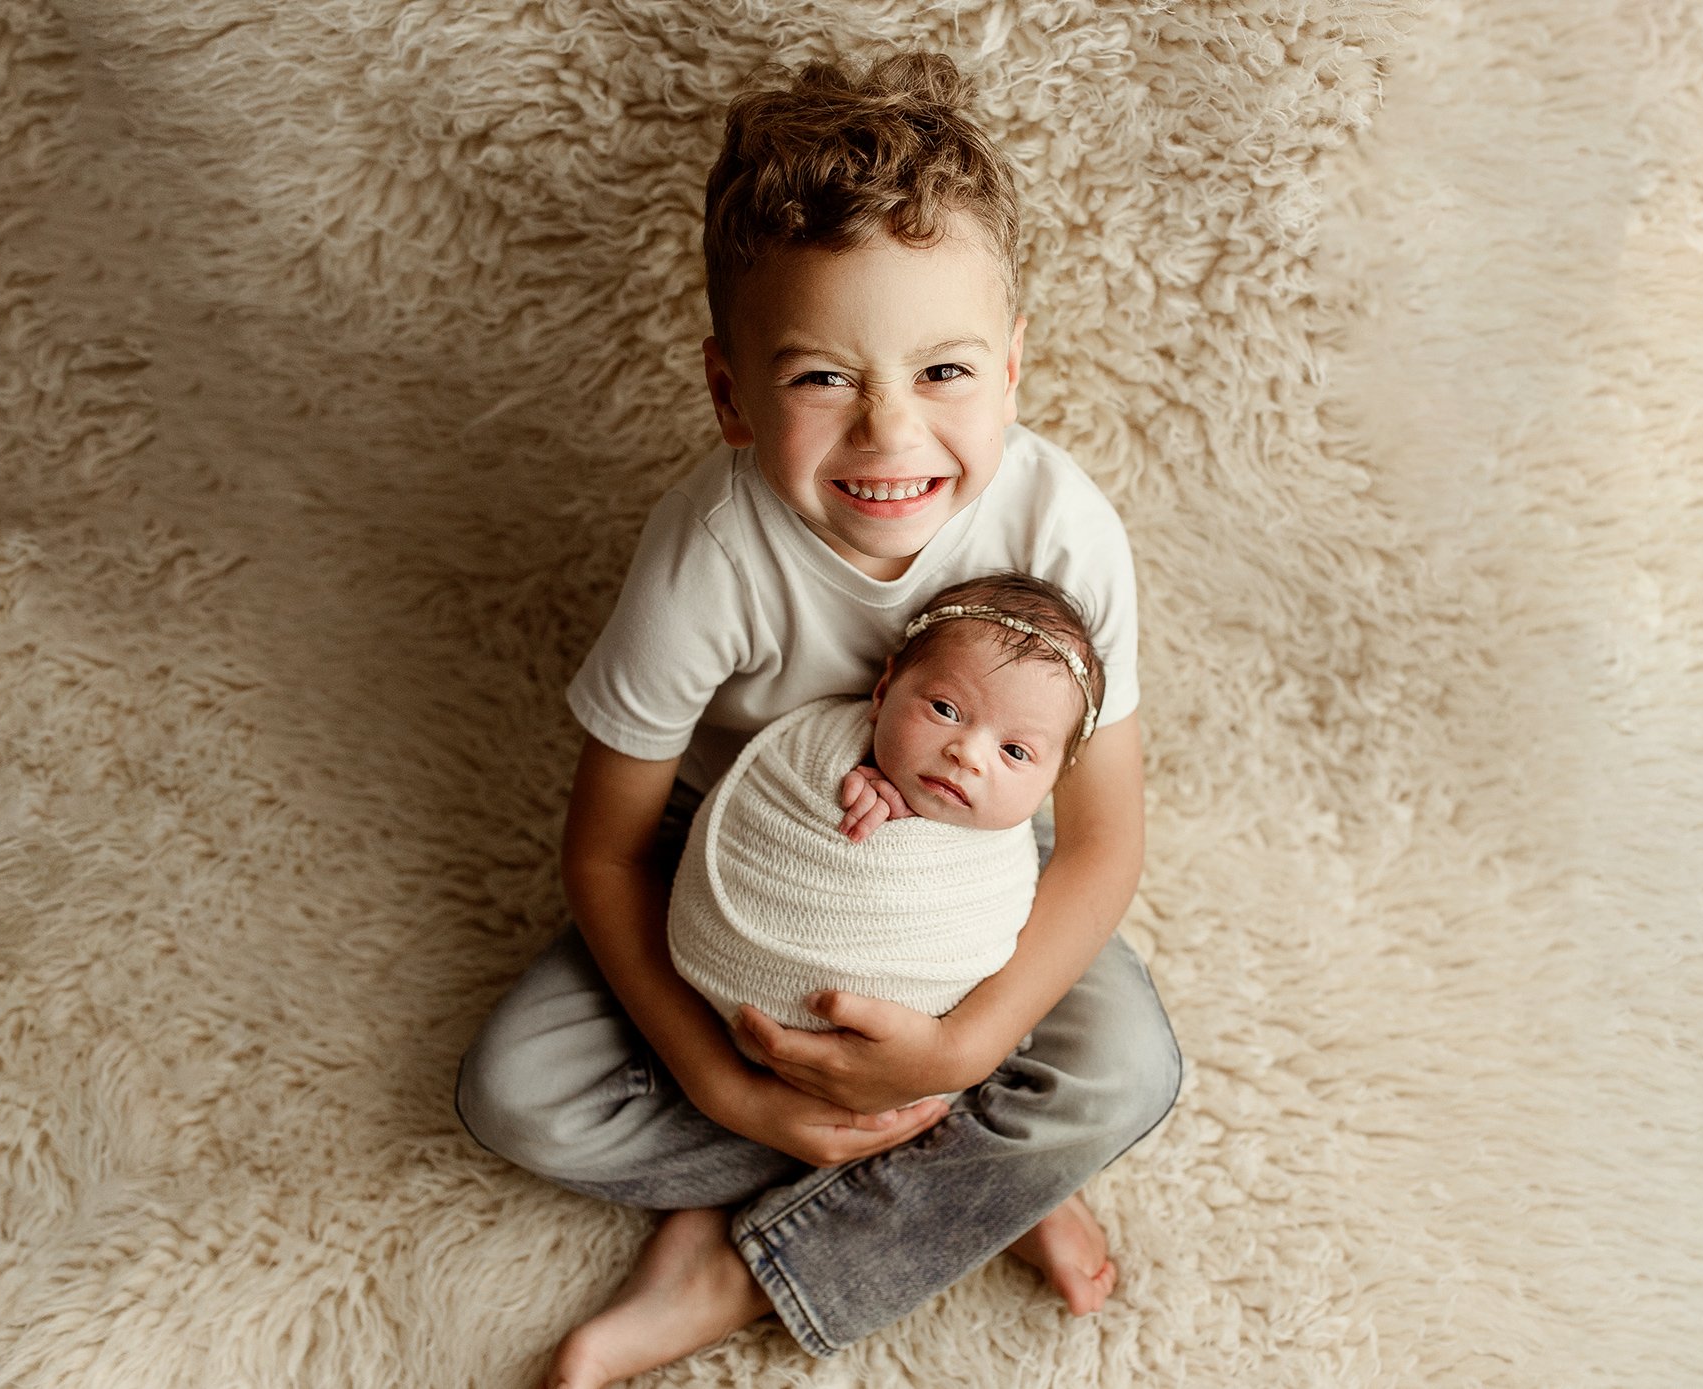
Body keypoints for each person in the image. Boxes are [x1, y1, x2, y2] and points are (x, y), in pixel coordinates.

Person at [452, 50, 1180, 1389]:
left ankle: (734, 1262)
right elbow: (607, 852)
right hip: (725, 870)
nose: (891, 433)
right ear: (732, 393)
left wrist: (963, 1045)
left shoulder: (1060, 527)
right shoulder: (709, 553)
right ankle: (979, 1179)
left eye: (946, 369)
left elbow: (1099, 844)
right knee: (517, 1092)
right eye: (821, 381)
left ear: (1014, 371)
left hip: (965, 892)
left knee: (1123, 1074)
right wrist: (733, 1088)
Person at [670, 573, 1105, 1075]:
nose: (967, 755)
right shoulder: (828, 762)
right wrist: (843, 783)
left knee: (1110, 1071)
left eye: (1014, 751)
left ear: (1055, 777)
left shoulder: (1005, 854)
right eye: (945, 709)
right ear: (883, 690)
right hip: (720, 1009)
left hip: (930, 1052)